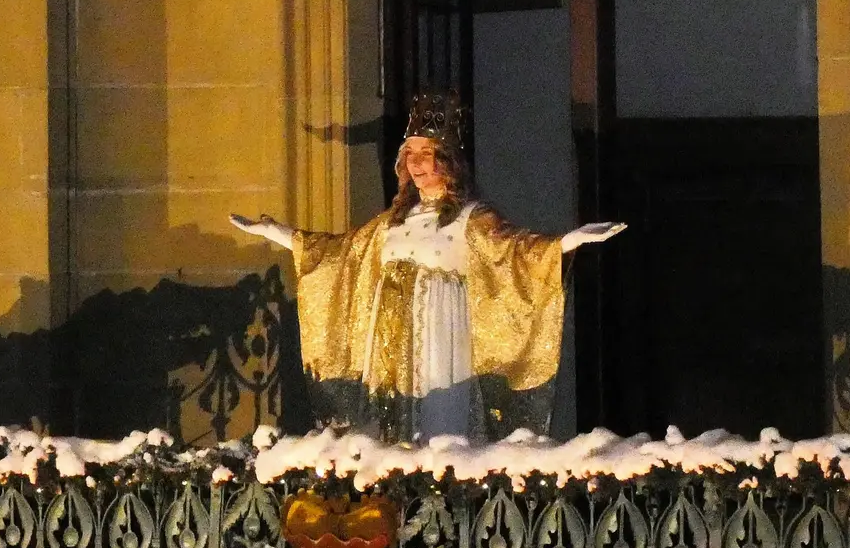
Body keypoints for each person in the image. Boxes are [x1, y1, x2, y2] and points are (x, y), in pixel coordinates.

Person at [230, 91, 623, 443]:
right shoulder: (392, 222)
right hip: (388, 348)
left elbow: (517, 252)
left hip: (441, 339)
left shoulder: (471, 218)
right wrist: (276, 231)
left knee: (439, 423)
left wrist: (569, 241)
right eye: (409, 154)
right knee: (388, 433)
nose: (416, 163)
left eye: (426, 153)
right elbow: (339, 254)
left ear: (447, 161)